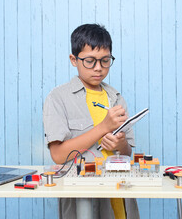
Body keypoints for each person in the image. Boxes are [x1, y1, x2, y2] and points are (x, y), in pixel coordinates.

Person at [43, 23, 139, 219]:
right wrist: (103, 128)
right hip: (82, 195)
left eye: (105, 61)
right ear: (73, 59)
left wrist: (120, 144)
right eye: (90, 61)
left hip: (119, 192)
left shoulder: (117, 98)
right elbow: (58, 155)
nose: (98, 68)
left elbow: (127, 152)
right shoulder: (58, 98)